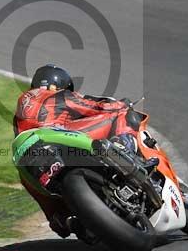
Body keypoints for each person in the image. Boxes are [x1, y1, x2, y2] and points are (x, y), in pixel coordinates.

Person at [13, 64, 144, 238]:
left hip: (26, 156)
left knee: (46, 203)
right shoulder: (59, 95)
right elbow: (99, 107)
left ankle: (67, 219)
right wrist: (121, 103)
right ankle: (124, 148)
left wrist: (64, 224)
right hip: (57, 138)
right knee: (121, 112)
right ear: (60, 84)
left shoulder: (21, 108)